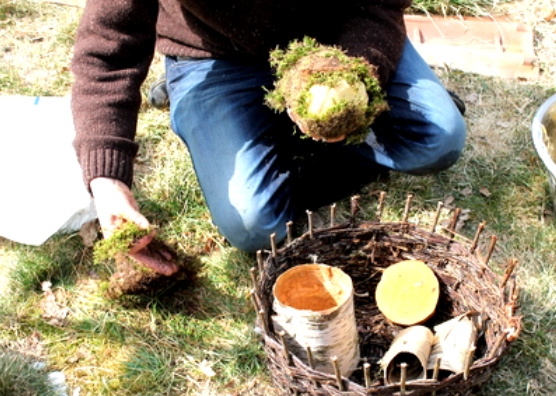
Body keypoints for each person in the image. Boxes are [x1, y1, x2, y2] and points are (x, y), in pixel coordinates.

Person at [70, 0, 467, 275]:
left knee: (437, 139)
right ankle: (215, 112)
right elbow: (109, 48)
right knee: (254, 225)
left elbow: (377, 3)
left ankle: (287, 138)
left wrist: (358, 74)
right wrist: (107, 180)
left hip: (333, 35)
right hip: (214, 56)